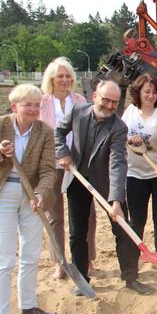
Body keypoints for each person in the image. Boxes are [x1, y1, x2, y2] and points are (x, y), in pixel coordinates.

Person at [0, 84, 59, 314]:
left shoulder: (45, 131)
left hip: (31, 196)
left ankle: (29, 305)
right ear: (15, 107)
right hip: (1, 195)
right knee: (6, 255)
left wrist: (42, 193)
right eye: (27, 105)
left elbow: (47, 170)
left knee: (31, 253)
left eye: (36, 105)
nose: (33, 109)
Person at [55, 79, 154, 295]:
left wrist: (116, 201)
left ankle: (130, 278)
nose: (110, 106)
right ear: (94, 97)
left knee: (122, 230)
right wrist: (63, 153)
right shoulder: (77, 112)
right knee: (77, 233)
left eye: (115, 102)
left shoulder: (119, 127)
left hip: (105, 183)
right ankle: (82, 280)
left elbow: (117, 162)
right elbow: (58, 133)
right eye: (106, 100)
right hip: (78, 178)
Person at [39, 57, 98, 280]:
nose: (64, 80)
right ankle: (60, 262)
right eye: (60, 76)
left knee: (87, 215)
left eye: (68, 76)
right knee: (54, 216)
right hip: (52, 164)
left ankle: (87, 259)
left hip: (79, 165)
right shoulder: (43, 102)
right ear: (51, 79)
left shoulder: (80, 100)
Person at [122, 73, 157, 265]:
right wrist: (129, 139)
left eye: (154, 92)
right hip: (134, 174)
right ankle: (133, 259)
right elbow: (121, 134)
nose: (150, 95)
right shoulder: (130, 112)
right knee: (137, 219)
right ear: (138, 92)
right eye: (147, 91)